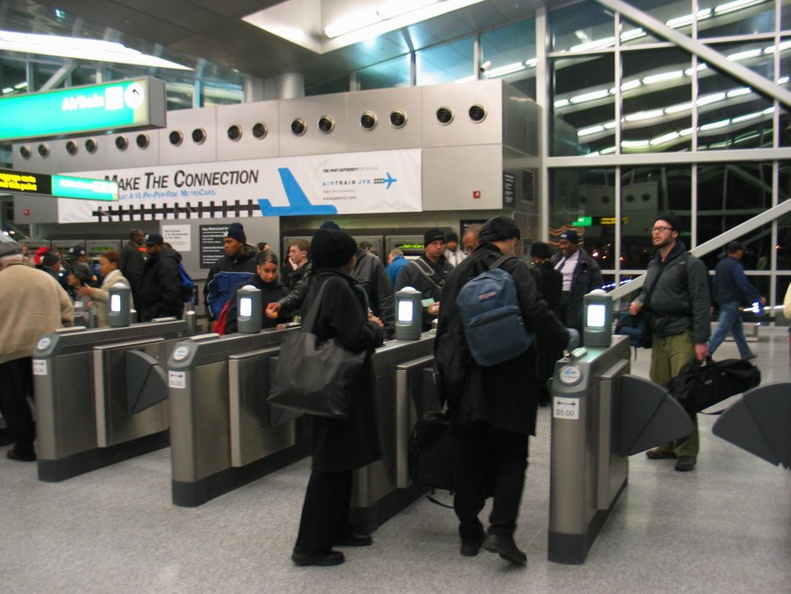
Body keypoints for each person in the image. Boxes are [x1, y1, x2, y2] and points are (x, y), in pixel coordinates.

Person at [435, 216, 570, 566]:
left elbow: (445, 329)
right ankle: (501, 532)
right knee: (512, 455)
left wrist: (446, 385)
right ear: (510, 241)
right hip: (509, 378)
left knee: (468, 455)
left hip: (465, 380)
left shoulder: (457, 272)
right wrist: (565, 339)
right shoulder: (514, 268)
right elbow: (537, 312)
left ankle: (469, 532)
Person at [291, 228, 385, 568]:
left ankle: (339, 527)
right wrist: (375, 326)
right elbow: (356, 336)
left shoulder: (317, 282)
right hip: (339, 388)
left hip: (325, 385)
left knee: (339, 461)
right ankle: (310, 546)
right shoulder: (339, 286)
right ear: (347, 258)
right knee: (329, 466)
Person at [629, 212, 711, 472]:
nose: (656, 232)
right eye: (654, 228)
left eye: (662, 229)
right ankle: (666, 444)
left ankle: (686, 450)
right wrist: (639, 302)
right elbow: (647, 289)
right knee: (662, 392)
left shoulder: (690, 264)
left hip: (681, 334)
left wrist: (701, 340)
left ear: (675, 233)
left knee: (683, 392)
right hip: (659, 333)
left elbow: (701, 302)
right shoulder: (655, 263)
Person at [0, 241, 73, 462]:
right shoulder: (46, 279)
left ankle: (24, 448)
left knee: (13, 403)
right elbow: (67, 310)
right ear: (21, 257)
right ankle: (58, 445)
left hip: (8, 351)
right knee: (45, 398)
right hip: (46, 349)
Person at [708, 241, 764, 360]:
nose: (743, 253)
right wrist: (757, 298)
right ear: (738, 251)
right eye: (742, 251)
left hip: (722, 300)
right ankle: (706, 353)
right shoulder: (735, 266)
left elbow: (715, 283)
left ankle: (746, 353)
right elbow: (744, 284)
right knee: (722, 329)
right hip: (732, 301)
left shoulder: (721, 264)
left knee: (737, 329)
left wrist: (715, 300)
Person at [394, 228, 453, 331]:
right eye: (434, 243)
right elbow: (400, 301)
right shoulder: (410, 270)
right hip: (419, 326)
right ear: (426, 246)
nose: (439, 247)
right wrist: (426, 310)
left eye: (441, 243)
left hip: (445, 325)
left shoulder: (450, 269)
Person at [550, 229, 603, 343]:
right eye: (561, 243)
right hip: (556, 307)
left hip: (575, 310)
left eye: (566, 243)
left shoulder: (589, 265)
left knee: (574, 342)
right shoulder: (554, 260)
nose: (562, 246)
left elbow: (597, 290)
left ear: (575, 244)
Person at [530, 241, 564, 406]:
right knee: (553, 357)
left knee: (540, 359)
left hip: (540, 321)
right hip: (554, 319)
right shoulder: (558, 275)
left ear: (535, 257)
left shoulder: (534, 274)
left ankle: (540, 393)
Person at [224, 251, 292, 334]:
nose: (270, 275)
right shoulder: (244, 290)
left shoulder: (283, 291)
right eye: (266, 271)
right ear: (258, 269)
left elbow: (288, 321)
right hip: (246, 339)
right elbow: (232, 321)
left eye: (274, 271)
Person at [204, 222, 257, 321]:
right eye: (224, 242)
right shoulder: (219, 266)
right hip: (223, 322)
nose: (225, 246)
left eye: (229, 242)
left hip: (249, 321)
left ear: (241, 242)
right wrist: (214, 315)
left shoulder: (255, 265)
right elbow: (209, 293)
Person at [75, 251, 134, 328]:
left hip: (115, 327)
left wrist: (93, 292)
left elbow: (115, 299)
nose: (100, 267)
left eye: (103, 264)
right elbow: (103, 303)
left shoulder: (119, 281)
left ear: (113, 265)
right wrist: (94, 306)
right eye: (99, 264)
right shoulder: (107, 282)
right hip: (106, 327)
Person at [138, 233, 184, 322]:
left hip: (161, 314)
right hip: (152, 310)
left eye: (150, 246)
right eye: (146, 245)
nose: (147, 248)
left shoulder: (166, 263)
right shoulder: (154, 259)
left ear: (160, 246)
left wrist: (161, 311)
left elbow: (172, 290)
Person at [121, 228, 146, 309]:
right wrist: (140, 287)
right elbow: (135, 271)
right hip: (134, 288)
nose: (143, 238)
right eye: (141, 236)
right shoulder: (134, 251)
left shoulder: (127, 248)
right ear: (134, 237)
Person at [65, 262, 97, 326]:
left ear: (79, 276)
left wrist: (92, 310)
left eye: (71, 275)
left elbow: (95, 314)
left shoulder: (92, 293)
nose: (68, 277)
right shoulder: (67, 293)